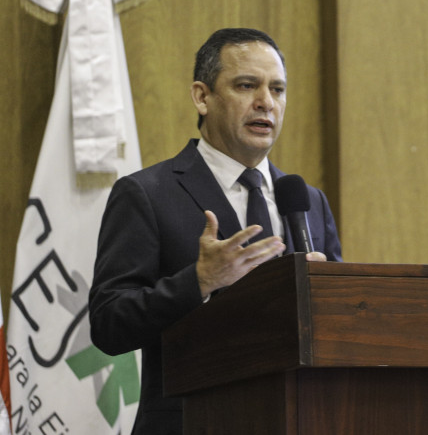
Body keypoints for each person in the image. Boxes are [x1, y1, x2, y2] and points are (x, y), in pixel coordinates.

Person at [88, 28, 342, 434]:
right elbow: (108, 324)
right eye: (246, 85)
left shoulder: (307, 200)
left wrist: (327, 299)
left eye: (277, 89)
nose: (266, 102)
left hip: (297, 419)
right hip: (191, 423)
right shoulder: (147, 194)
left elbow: (338, 332)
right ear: (202, 97)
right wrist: (199, 281)